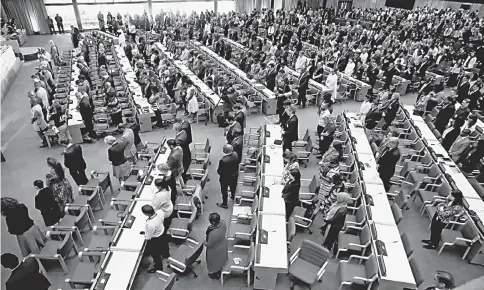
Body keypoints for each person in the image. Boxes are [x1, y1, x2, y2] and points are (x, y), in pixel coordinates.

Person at [140, 205, 169, 273]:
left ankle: (158, 267)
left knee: (156, 255)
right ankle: (166, 255)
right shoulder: (160, 212)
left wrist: (145, 233)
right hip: (162, 233)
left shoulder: (150, 224)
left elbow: (148, 237)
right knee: (164, 246)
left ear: (146, 214)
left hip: (155, 240)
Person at [204, 212, 228, 279]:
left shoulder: (213, 233)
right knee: (221, 259)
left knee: (214, 262)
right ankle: (220, 269)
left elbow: (209, 244)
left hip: (215, 250)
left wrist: (203, 242)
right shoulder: (223, 222)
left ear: (213, 222)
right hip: (223, 244)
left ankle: (215, 274)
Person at [216, 144, 238, 209]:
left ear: (225, 151)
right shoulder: (235, 154)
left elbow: (219, 171)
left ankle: (224, 203)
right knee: (233, 187)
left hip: (224, 178)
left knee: (224, 190)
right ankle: (233, 196)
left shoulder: (223, 161)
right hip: (234, 175)